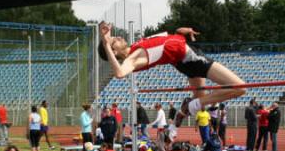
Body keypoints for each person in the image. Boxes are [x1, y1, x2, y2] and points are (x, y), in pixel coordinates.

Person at [98, 23, 246, 128]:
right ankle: (191, 105)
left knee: (201, 98)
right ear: (114, 52)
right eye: (114, 41)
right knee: (240, 88)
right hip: (192, 59)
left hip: (184, 59)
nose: (118, 37)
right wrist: (105, 43)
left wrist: (179, 33)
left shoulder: (137, 45)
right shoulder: (133, 58)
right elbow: (119, 73)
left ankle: (177, 122)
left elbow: (164, 42)